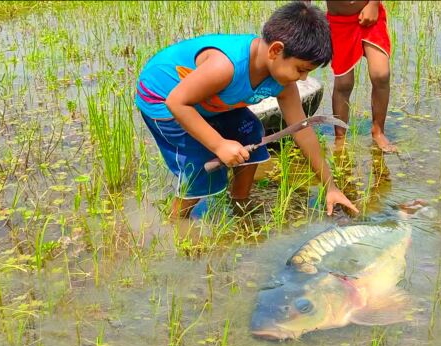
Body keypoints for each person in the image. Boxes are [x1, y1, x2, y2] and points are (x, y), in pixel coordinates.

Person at [135, 2, 359, 219]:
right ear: (276, 50)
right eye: (300, 70)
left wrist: (331, 187)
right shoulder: (226, 66)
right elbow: (177, 103)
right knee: (200, 164)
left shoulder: (283, 83)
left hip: (211, 101)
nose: (302, 78)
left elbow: (302, 130)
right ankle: (176, 221)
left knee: (251, 132)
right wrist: (218, 144)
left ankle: (239, 202)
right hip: (163, 98)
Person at [324, 1, 397, 152]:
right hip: (339, 22)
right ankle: (340, 136)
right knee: (343, 83)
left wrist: (374, 4)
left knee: (381, 74)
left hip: (371, 15)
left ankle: (378, 131)